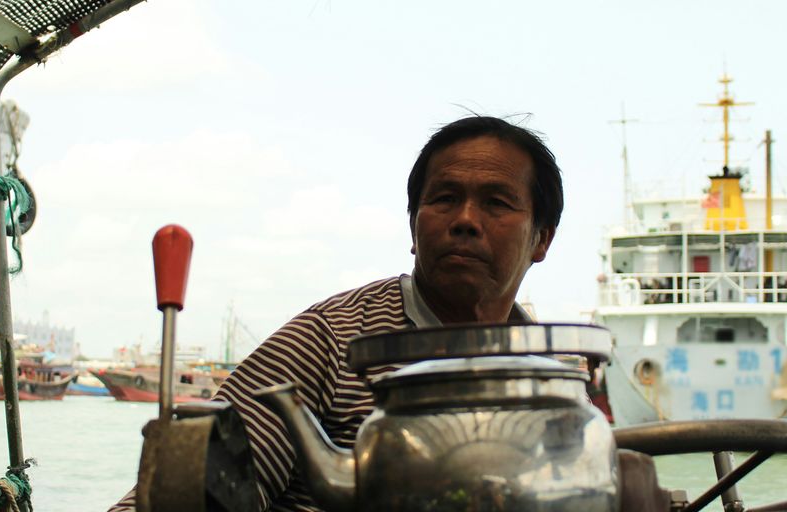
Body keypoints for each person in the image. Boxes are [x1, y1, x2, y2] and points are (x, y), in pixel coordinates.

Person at [109, 115, 563, 511]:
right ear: (413, 226)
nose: (465, 219)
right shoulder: (333, 338)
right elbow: (204, 485)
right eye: (443, 198)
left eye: (496, 203)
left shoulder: (550, 377)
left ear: (541, 238)